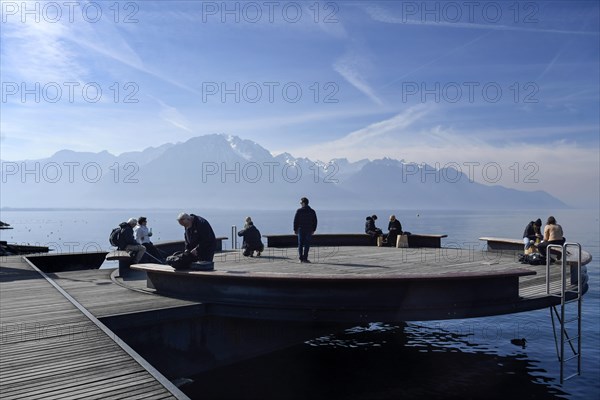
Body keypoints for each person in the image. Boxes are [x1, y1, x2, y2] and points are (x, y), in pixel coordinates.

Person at [293, 197, 318, 263]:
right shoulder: (312, 211)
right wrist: (314, 230)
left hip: (301, 230)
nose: (300, 204)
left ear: (304, 203)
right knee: (307, 244)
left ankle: (301, 259)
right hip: (309, 230)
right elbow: (315, 221)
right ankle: (305, 258)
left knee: (300, 244)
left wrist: (295, 229)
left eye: (301, 203)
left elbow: (295, 221)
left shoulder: (299, 211)